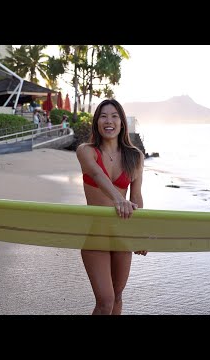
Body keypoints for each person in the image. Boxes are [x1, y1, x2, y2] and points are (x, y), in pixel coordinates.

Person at [76, 99, 146, 315]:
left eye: (114, 116)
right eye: (103, 116)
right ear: (97, 122)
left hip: (122, 235)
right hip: (96, 235)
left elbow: (136, 196)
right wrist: (118, 199)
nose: (109, 121)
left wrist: (140, 234)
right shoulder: (85, 150)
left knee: (117, 298)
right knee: (105, 301)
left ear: (122, 123)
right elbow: (97, 175)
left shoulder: (135, 157)